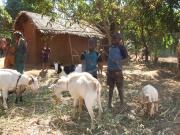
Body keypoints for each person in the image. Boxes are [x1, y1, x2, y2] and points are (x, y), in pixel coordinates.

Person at [107, 33, 128, 110]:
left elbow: (127, 58)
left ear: (119, 40)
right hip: (110, 72)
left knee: (120, 88)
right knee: (111, 88)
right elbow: (108, 58)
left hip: (118, 72)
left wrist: (119, 61)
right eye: (113, 39)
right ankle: (109, 103)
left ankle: (122, 103)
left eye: (115, 39)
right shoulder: (110, 47)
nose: (113, 40)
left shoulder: (122, 48)